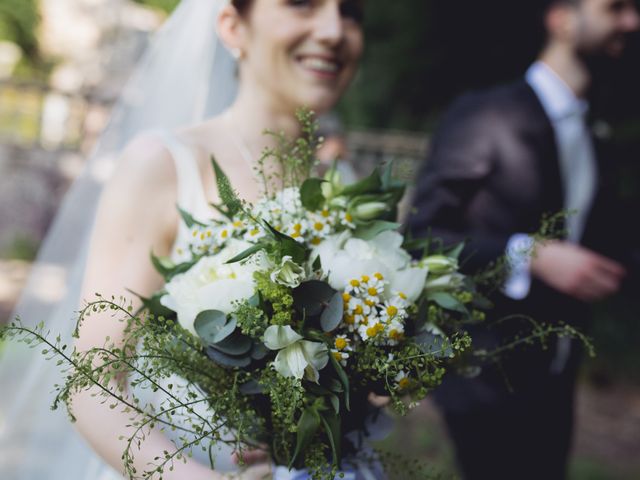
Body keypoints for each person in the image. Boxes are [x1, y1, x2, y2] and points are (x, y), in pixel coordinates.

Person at [0, 1, 366, 479]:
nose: (334, 29)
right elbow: (92, 384)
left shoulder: (349, 185)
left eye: (352, 9)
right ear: (234, 27)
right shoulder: (164, 165)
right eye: (301, 3)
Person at [407, 0, 640, 479]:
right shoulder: (485, 114)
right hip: (484, 376)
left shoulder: (593, 133)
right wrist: (529, 254)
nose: (632, 22)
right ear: (561, 19)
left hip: (557, 372)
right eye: (615, 8)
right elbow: (421, 236)